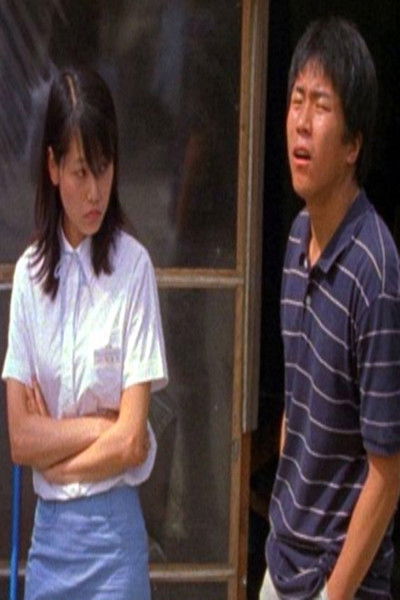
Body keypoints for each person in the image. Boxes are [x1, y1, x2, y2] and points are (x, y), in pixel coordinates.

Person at [2, 67, 168, 599]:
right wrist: (103, 426)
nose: (95, 191)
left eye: (104, 168)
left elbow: (133, 440)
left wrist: (57, 452)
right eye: (79, 172)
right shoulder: (29, 278)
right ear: (52, 167)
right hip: (50, 540)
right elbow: (21, 439)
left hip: (116, 542)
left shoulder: (133, 268)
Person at [260, 17, 400, 600]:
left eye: (321, 105)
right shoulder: (298, 236)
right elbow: (298, 404)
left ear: (352, 144)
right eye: (297, 100)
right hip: (282, 563)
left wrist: (331, 595)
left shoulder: (376, 271)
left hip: (339, 583)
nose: (301, 120)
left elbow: (388, 472)